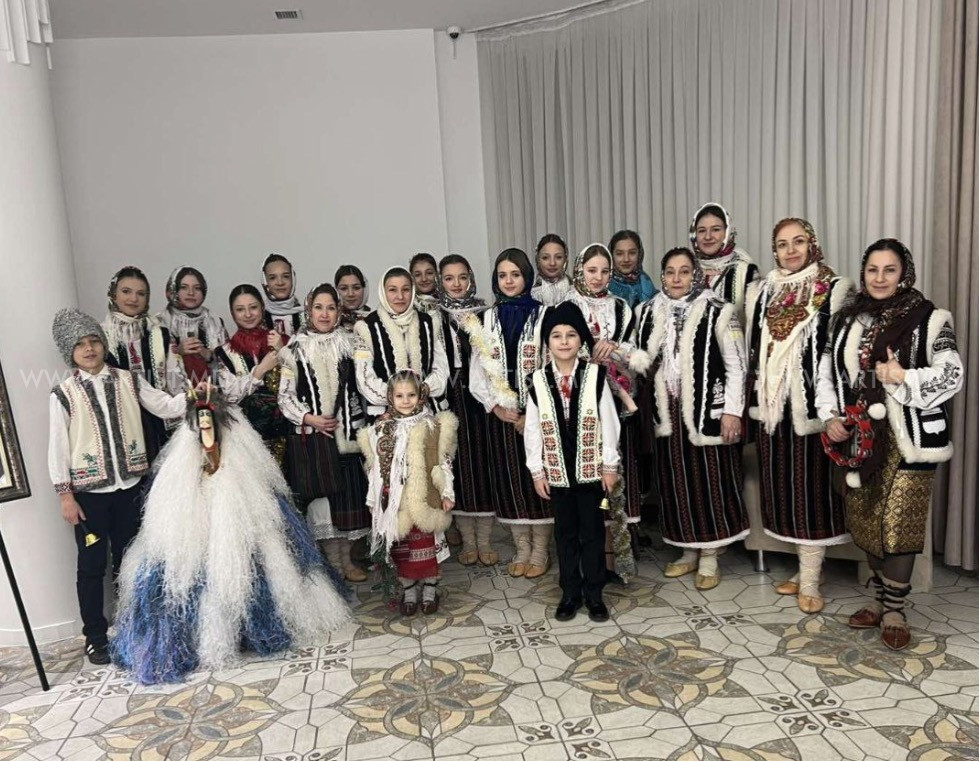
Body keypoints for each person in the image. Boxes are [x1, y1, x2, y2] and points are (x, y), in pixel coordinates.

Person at [112, 382, 351, 684]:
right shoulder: (185, 451)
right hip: (198, 502)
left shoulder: (235, 439)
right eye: (200, 421)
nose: (206, 426)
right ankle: (215, 632)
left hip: (236, 491)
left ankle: (252, 626)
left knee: (259, 555)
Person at [817, 239, 963, 650]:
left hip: (908, 437)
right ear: (863, 273)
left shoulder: (931, 319)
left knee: (899, 523)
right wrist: (830, 417)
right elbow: (825, 373)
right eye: (872, 270)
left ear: (904, 274)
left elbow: (953, 375)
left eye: (890, 270)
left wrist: (903, 377)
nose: (879, 278)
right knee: (867, 518)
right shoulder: (846, 319)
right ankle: (879, 600)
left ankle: (895, 609)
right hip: (860, 435)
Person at [48, 309, 190, 665]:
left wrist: (194, 397)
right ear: (69, 352)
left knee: (132, 561)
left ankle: (134, 626)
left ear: (103, 344)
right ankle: (95, 636)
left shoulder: (128, 380)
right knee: (91, 566)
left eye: (94, 341)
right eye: (80, 345)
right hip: (90, 497)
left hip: (130, 489)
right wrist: (66, 496)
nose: (89, 349)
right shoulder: (63, 394)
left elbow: (164, 405)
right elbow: (58, 447)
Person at [745, 219, 854, 613]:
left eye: (799, 242)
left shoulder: (834, 288)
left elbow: (841, 351)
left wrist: (835, 410)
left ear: (813, 245)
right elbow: (755, 348)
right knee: (785, 491)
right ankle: (807, 569)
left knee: (812, 493)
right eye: (782, 244)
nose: (790, 250)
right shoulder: (763, 291)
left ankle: (810, 579)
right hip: (773, 408)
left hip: (813, 406)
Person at [634, 248, 748, 590]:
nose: (677, 278)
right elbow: (640, 361)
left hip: (705, 410)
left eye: (684, 271)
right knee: (674, 483)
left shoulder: (719, 310)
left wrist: (733, 411)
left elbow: (737, 366)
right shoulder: (647, 312)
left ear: (696, 274)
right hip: (667, 412)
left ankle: (710, 555)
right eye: (670, 272)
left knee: (710, 481)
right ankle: (687, 551)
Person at [525, 302, 621, 622]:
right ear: (547, 343)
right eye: (556, 335)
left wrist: (609, 465)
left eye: (571, 334)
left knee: (592, 533)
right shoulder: (538, 380)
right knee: (564, 535)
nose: (564, 341)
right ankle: (570, 593)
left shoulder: (594, 376)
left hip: (590, 470)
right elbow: (533, 429)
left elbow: (609, 422)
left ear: (581, 340)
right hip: (557, 473)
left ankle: (594, 594)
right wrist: (537, 470)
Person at [469, 249, 553, 578]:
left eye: (515, 275)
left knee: (537, 479)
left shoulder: (545, 315)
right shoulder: (485, 319)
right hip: (502, 417)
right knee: (509, 480)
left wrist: (532, 411)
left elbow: (551, 364)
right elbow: (478, 371)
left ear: (527, 277)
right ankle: (521, 548)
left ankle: (540, 549)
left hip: (537, 415)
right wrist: (495, 405)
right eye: (502, 275)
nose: (509, 281)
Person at [278, 284, 371, 583]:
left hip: (348, 438)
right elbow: (284, 397)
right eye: (318, 307)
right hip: (314, 443)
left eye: (331, 307)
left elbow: (364, 386)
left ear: (339, 311)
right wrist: (310, 419)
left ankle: (348, 560)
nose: (324, 314)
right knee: (324, 508)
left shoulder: (351, 344)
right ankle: (333, 563)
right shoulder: (294, 349)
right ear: (309, 310)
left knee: (348, 503)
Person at [565, 244, 649, 548]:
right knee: (587, 460)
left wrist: (613, 349)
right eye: (591, 270)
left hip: (615, 395)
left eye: (604, 271)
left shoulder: (620, 307)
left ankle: (621, 535)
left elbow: (633, 349)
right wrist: (588, 355)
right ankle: (591, 537)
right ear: (579, 270)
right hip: (579, 395)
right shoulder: (567, 306)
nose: (598, 277)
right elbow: (558, 348)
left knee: (617, 459)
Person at [360, 371, 458, 616]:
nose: (406, 401)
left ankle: (430, 589)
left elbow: (443, 463)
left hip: (426, 497)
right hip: (396, 501)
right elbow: (375, 469)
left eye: (411, 395)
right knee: (402, 549)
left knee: (427, 546)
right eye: (399, 396)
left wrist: (447, 493)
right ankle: (409, 590)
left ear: (421, 395)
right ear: (390, 397)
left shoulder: (432, 426)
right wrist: (373, 500)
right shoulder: (382, 429)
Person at [436, 255, 497, 566]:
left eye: (462, 277)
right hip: (449, 398)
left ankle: (484, 541)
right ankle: (467, 541)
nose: (457, 284)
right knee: (456, 467)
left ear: (471, 278)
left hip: (480, 397)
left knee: (483, 464)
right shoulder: (434, 318)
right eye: (449, 278)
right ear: (440, 282)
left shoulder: (486, 314)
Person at [101, 266, 185, 463]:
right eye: (126, 291)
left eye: (141, 294)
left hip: (161, 422)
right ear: (113, 294)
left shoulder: (160, 334)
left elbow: (176, 380)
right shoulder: (100, 337)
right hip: (121, 423)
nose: (133, 299)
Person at [353, 267, 449, 419]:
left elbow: (441, 368)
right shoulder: (366, 327)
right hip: (387, 417)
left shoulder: (428, 323)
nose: (400, 296)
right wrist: (400, 398)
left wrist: (423, 390)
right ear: (383, 292)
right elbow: (364, 378)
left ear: (412, 291)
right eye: (392, 290)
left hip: (427, 413)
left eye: (405, 290)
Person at [213, 284, 290, 462]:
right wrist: (260, 370)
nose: (248, 314)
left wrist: (283, 352)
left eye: (253, 307)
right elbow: (229, 396)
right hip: (247, 439)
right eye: (240, 309)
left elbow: (300, 382)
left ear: (262, 307)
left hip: (287, 433)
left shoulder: (282, 340)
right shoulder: (224, 353)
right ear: (232, 313)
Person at [156, 266, 229, 384]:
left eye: (197, 288)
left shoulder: (214, 321)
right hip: (171, 390)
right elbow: (150, 365)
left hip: (214, 388)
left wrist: (209, 355)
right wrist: (176, 353)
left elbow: (231, 363)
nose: (191, 293)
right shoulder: (159, 322)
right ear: (173, 290)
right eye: (184, 287)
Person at [689, 203, 759, 318]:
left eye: (715, 229)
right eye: (701, 231)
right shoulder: (685, 270)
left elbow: (755, 321)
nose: (708, 236)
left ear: (728, 232)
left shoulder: (746, 272)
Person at [608, 230, 657, 307]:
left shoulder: (646, 282)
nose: (626, 259)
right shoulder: (603, 285)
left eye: (632, 253)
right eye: (619, 254)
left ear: (639, 254)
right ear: (611, 255)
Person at [261, 253, 304, 337]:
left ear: (293, 279)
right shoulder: (258, 319)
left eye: (286, 276)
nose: (280, 283)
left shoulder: (307, 316)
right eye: (272, 278)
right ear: (265, 282)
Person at [531, 234, 573, 306]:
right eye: (545, 258)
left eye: (558, 257)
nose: (552, 263)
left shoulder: (577, 294)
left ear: (565, 259)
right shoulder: (530, 295)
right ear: (538, 260)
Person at [334, 264, 370, 332]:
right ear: (336, 290)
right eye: (344, 288)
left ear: (364, 289)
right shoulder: (328, 321)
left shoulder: (377, 321)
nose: (350, 294)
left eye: (356, 288)